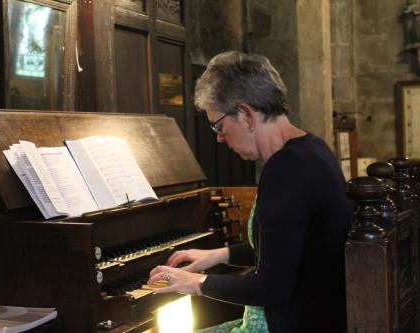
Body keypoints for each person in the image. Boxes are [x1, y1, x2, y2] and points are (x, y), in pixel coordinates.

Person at [148, 51, 351, 333]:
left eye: (219, 126)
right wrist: (219, 255)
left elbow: (270, 288)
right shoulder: (311, 149)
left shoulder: (286, 170)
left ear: (245, 114)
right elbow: (285, 248)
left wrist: (195, 283)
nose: (219, 138)